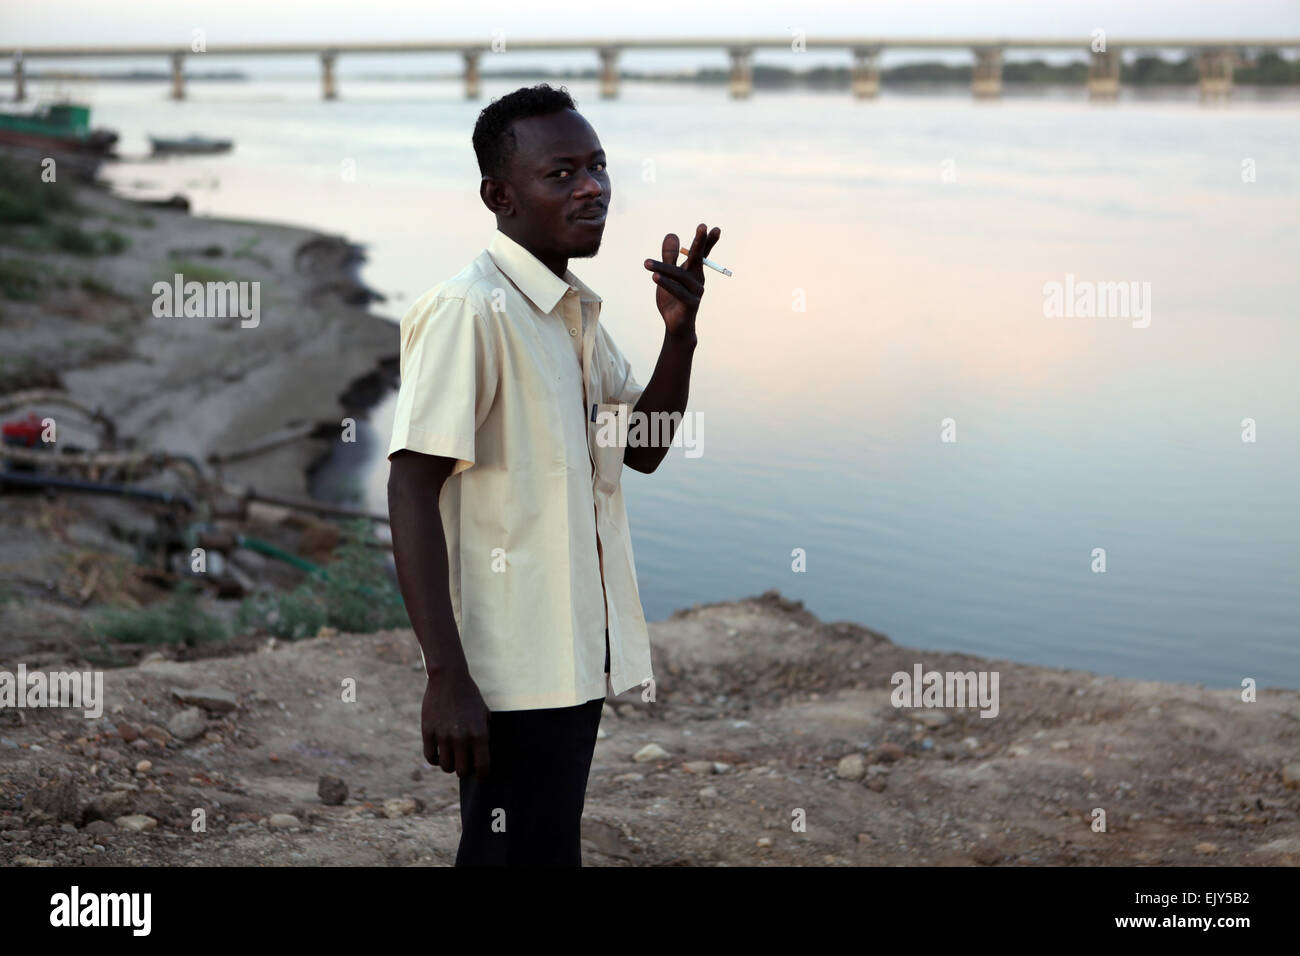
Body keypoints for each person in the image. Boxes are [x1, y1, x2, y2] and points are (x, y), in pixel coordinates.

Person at [386, 83, 721, 866]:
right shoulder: (470, 311)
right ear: (498, 197)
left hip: (570, 654)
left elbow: (641, 446)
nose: (593, 187)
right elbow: (411, 484)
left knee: (539, 852)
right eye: (561, 173)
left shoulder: (569, 314)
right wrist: (446, 678)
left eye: (598, 167)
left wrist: (682, 337)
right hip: (508, 669)